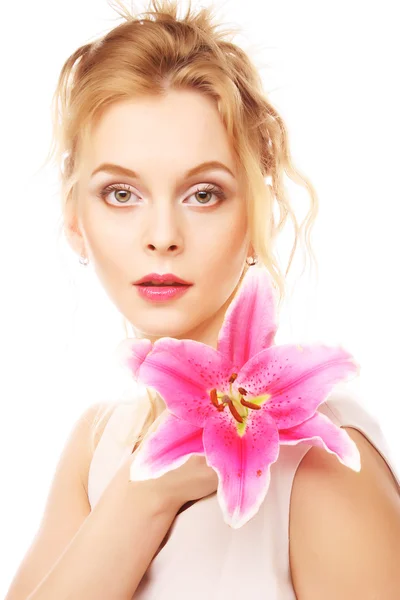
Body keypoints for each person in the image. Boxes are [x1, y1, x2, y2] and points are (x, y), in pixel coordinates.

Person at [6, 0, 400, 598]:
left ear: (254, 217)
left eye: (203, 194)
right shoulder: (97, 446)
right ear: (74, 221)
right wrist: (148, 491)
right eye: (120, 193)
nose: (162, 235)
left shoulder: (317, 462)